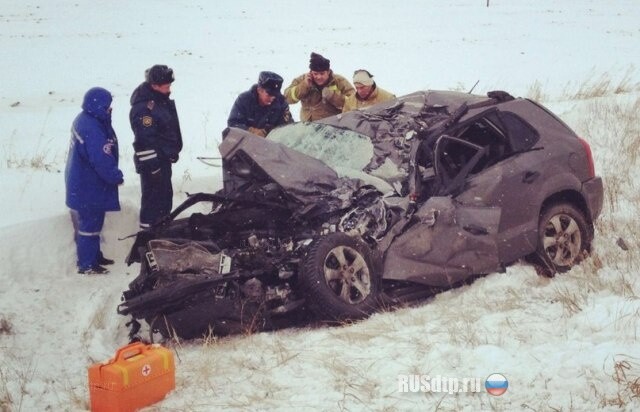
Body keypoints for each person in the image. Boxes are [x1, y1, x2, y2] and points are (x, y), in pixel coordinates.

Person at [65, 87, 124, 275]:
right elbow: (101, 158)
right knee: (89, 225)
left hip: (84, 181)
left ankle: (94, 256)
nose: (110, 110)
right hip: (88, 185)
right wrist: (115, 176)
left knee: (94, 222)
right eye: (108, 107)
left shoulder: (87, 119)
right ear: (98, 106)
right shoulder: (92, 128)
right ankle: (87, 264)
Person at [129, 64, 183, 229]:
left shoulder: (160, 101)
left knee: (164, 200)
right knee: (152, 203)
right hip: (153, 164)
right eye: (166, 86)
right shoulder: (145, 110)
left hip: (162, 160)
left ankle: (162, 232)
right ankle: (147, 238)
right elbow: (144, 143)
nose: (169, 89)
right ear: (154, 86)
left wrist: (171, 151)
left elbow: (165, 131)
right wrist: (153, 168)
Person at [284, 52, 355, 121]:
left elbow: (354, 103)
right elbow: (287, 98)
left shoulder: (339, 81)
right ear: (311, 72)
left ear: (328, 72)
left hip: (332, 127)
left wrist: (332, 96)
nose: (319, 77)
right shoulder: (303, 80)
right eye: (315, 74)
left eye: (322, 73)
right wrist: (304, 86)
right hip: (307, 127)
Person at [227, 71, 293, 137]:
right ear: (259, 90)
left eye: (275, 95)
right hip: (245, 141)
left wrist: (271, 132)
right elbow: (233, 124)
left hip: (271, 143)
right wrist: (251, 131)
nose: (272, 98)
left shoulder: (281, 103)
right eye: (269, 94)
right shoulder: (244, 100)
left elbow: (288, 127)